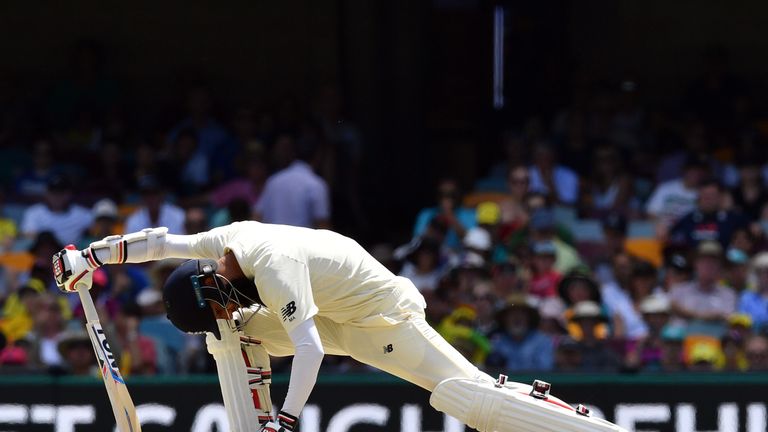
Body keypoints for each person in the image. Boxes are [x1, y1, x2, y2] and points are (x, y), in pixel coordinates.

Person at [54, 221, 625, 432]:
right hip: (329, 310)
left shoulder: (273, 270)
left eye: (223, 307)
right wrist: (93, 258)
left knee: (466, 398)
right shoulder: (221, 249)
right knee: (231, 338)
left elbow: (309, 350)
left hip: (380, 319)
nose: (230, 314)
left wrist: (288, 419)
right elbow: (160, 243)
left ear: (215, 287)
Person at [254, 134, 331, 229]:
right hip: (301, 243)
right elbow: (323, 225)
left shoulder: (274, 180)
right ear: (318, 155)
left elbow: (256, 216)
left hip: (272, 242)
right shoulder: (316, 184)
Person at [669, 241, 736, 332]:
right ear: (695, 264)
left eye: (714, 262)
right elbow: (673, 310)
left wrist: (687, 314)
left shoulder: (728, 294)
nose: (708, 265)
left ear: (720, 266)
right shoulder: (679, 290)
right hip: (683, 341)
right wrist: (710, 317)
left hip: (715, 341)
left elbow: (726, 317)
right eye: (704, 261)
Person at [668, 179, 747, 248]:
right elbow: (671, 236)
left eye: (712, 195)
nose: (707, 199)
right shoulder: (687, 220)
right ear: (698, 197)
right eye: (704, 195)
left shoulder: (734, 219)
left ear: (720, 197)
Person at [20, 175, 92, 245]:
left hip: (72, 254)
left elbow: (97, 230)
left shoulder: (82, 214)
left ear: (69, 194)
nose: (57, 196)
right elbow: (28, 235)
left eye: (61, 193)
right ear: (47, 193)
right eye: (53, 193)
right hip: (44, 254)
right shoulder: (34, 212)